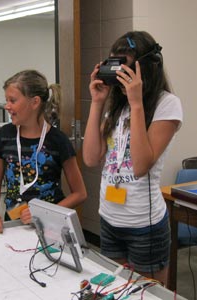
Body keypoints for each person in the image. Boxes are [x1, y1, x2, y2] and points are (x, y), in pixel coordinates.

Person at [83, 31, 183, 286]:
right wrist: (97, 103)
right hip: (109, 217)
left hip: (144, 225)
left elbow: (140, 166)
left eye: (124, 65)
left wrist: (137, 105)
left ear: (144, 68)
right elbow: (91, 158)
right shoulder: (117, 104)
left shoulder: (167, 104)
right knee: (116, 290)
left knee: (146, 293)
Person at [0, 69, 87, 234]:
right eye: (6, 100)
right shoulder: (5, 135)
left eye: (12, 100)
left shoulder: (58, 140)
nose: (7, 106)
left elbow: (80, 193)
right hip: (12, 225)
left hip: (50, 227)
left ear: (34, 102)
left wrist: (43, 214)